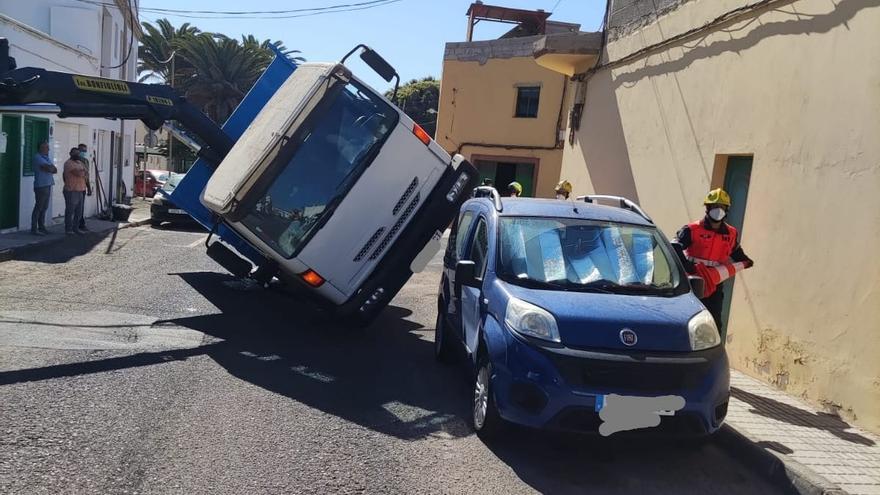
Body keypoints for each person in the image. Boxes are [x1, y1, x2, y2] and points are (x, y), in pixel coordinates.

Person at [673, 188, 754, 331]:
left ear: (727, 210)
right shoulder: (692, 229)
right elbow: (674, 246)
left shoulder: (731, 233)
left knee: (714, 323)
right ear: (708, 208)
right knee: (688, 318)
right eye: (715, 207)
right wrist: (688, 267)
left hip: (714, 283)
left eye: (722, 207)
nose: (718, 210)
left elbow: (735, 250)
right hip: (692, 280)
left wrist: (745, 261)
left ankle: (713, 352)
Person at [31, 142, 57, 235]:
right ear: (41, 148)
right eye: (46, 147)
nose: (48, 149)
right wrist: (50, 168)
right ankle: (34, 229)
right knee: (39, 207)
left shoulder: (46, 158)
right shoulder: (38, 157)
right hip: (41, 185)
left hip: (48, 184)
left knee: (44, 207)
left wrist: (50, 168)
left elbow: (54, 170)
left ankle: (41, 226)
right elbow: (48, 168)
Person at [62, 147, 87, 235]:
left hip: (81, 190)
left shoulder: (80, 162)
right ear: (70, 154)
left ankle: (76, 228)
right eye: (75, 153)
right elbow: (79, 173)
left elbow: (85, 172)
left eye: (78, 153)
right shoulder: (68, 163)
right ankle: (68, 229)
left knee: (79, 212)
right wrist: (82, 172)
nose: (77, 155)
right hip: (71, 190)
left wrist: (82, 171)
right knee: (70, 211)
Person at [76, 143, 93, 231]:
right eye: (82, 151)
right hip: (75, 187)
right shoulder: (74, 161)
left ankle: (81, 223)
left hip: (83, 186)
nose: (83, 152)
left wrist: (89, 188)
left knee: (81, 207)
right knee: (75, 207)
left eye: (85, 151)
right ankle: (75, 224)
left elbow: (87, 176)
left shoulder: (86, 161)